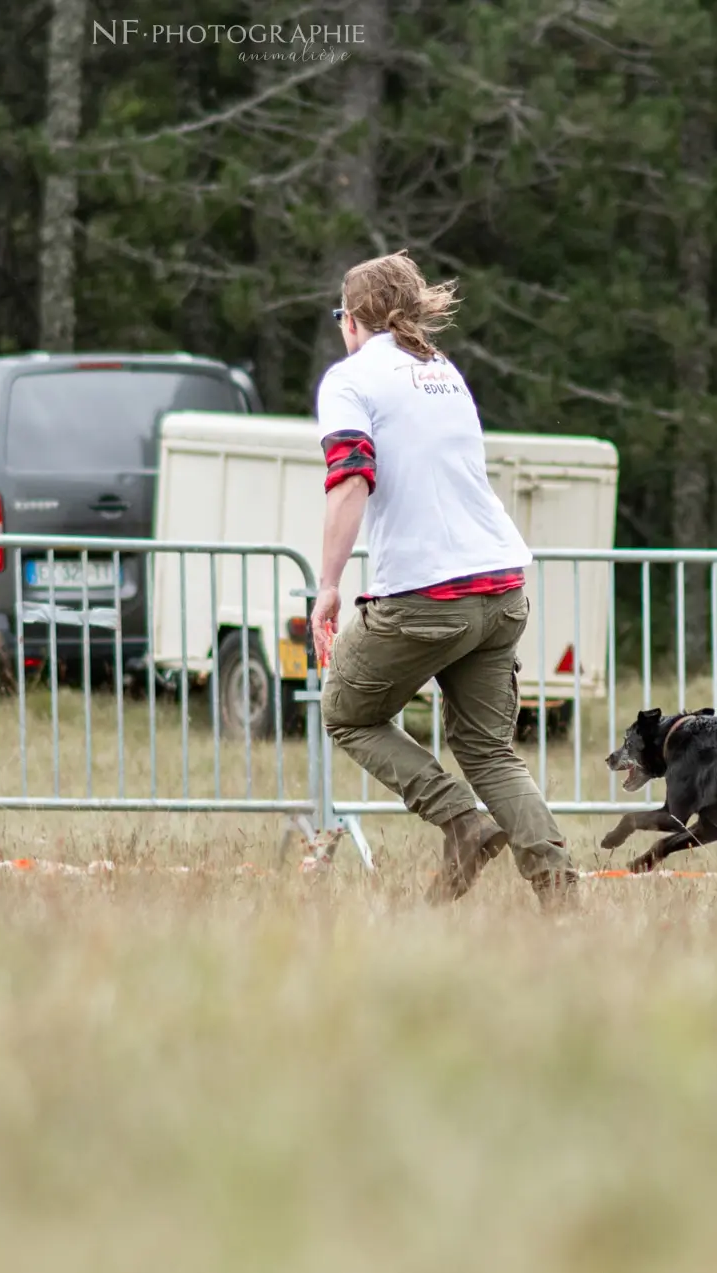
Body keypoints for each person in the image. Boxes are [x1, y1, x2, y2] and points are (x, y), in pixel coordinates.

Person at [310, 251, 577, 911]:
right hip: (503, 585)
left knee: (346, 710)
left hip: (428, 591)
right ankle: (562, 894)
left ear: (352, 319)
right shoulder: (443, 371)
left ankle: (461, 820)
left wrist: (328, 584)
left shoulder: (349, 379)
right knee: (489, 750)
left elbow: (349, 480)